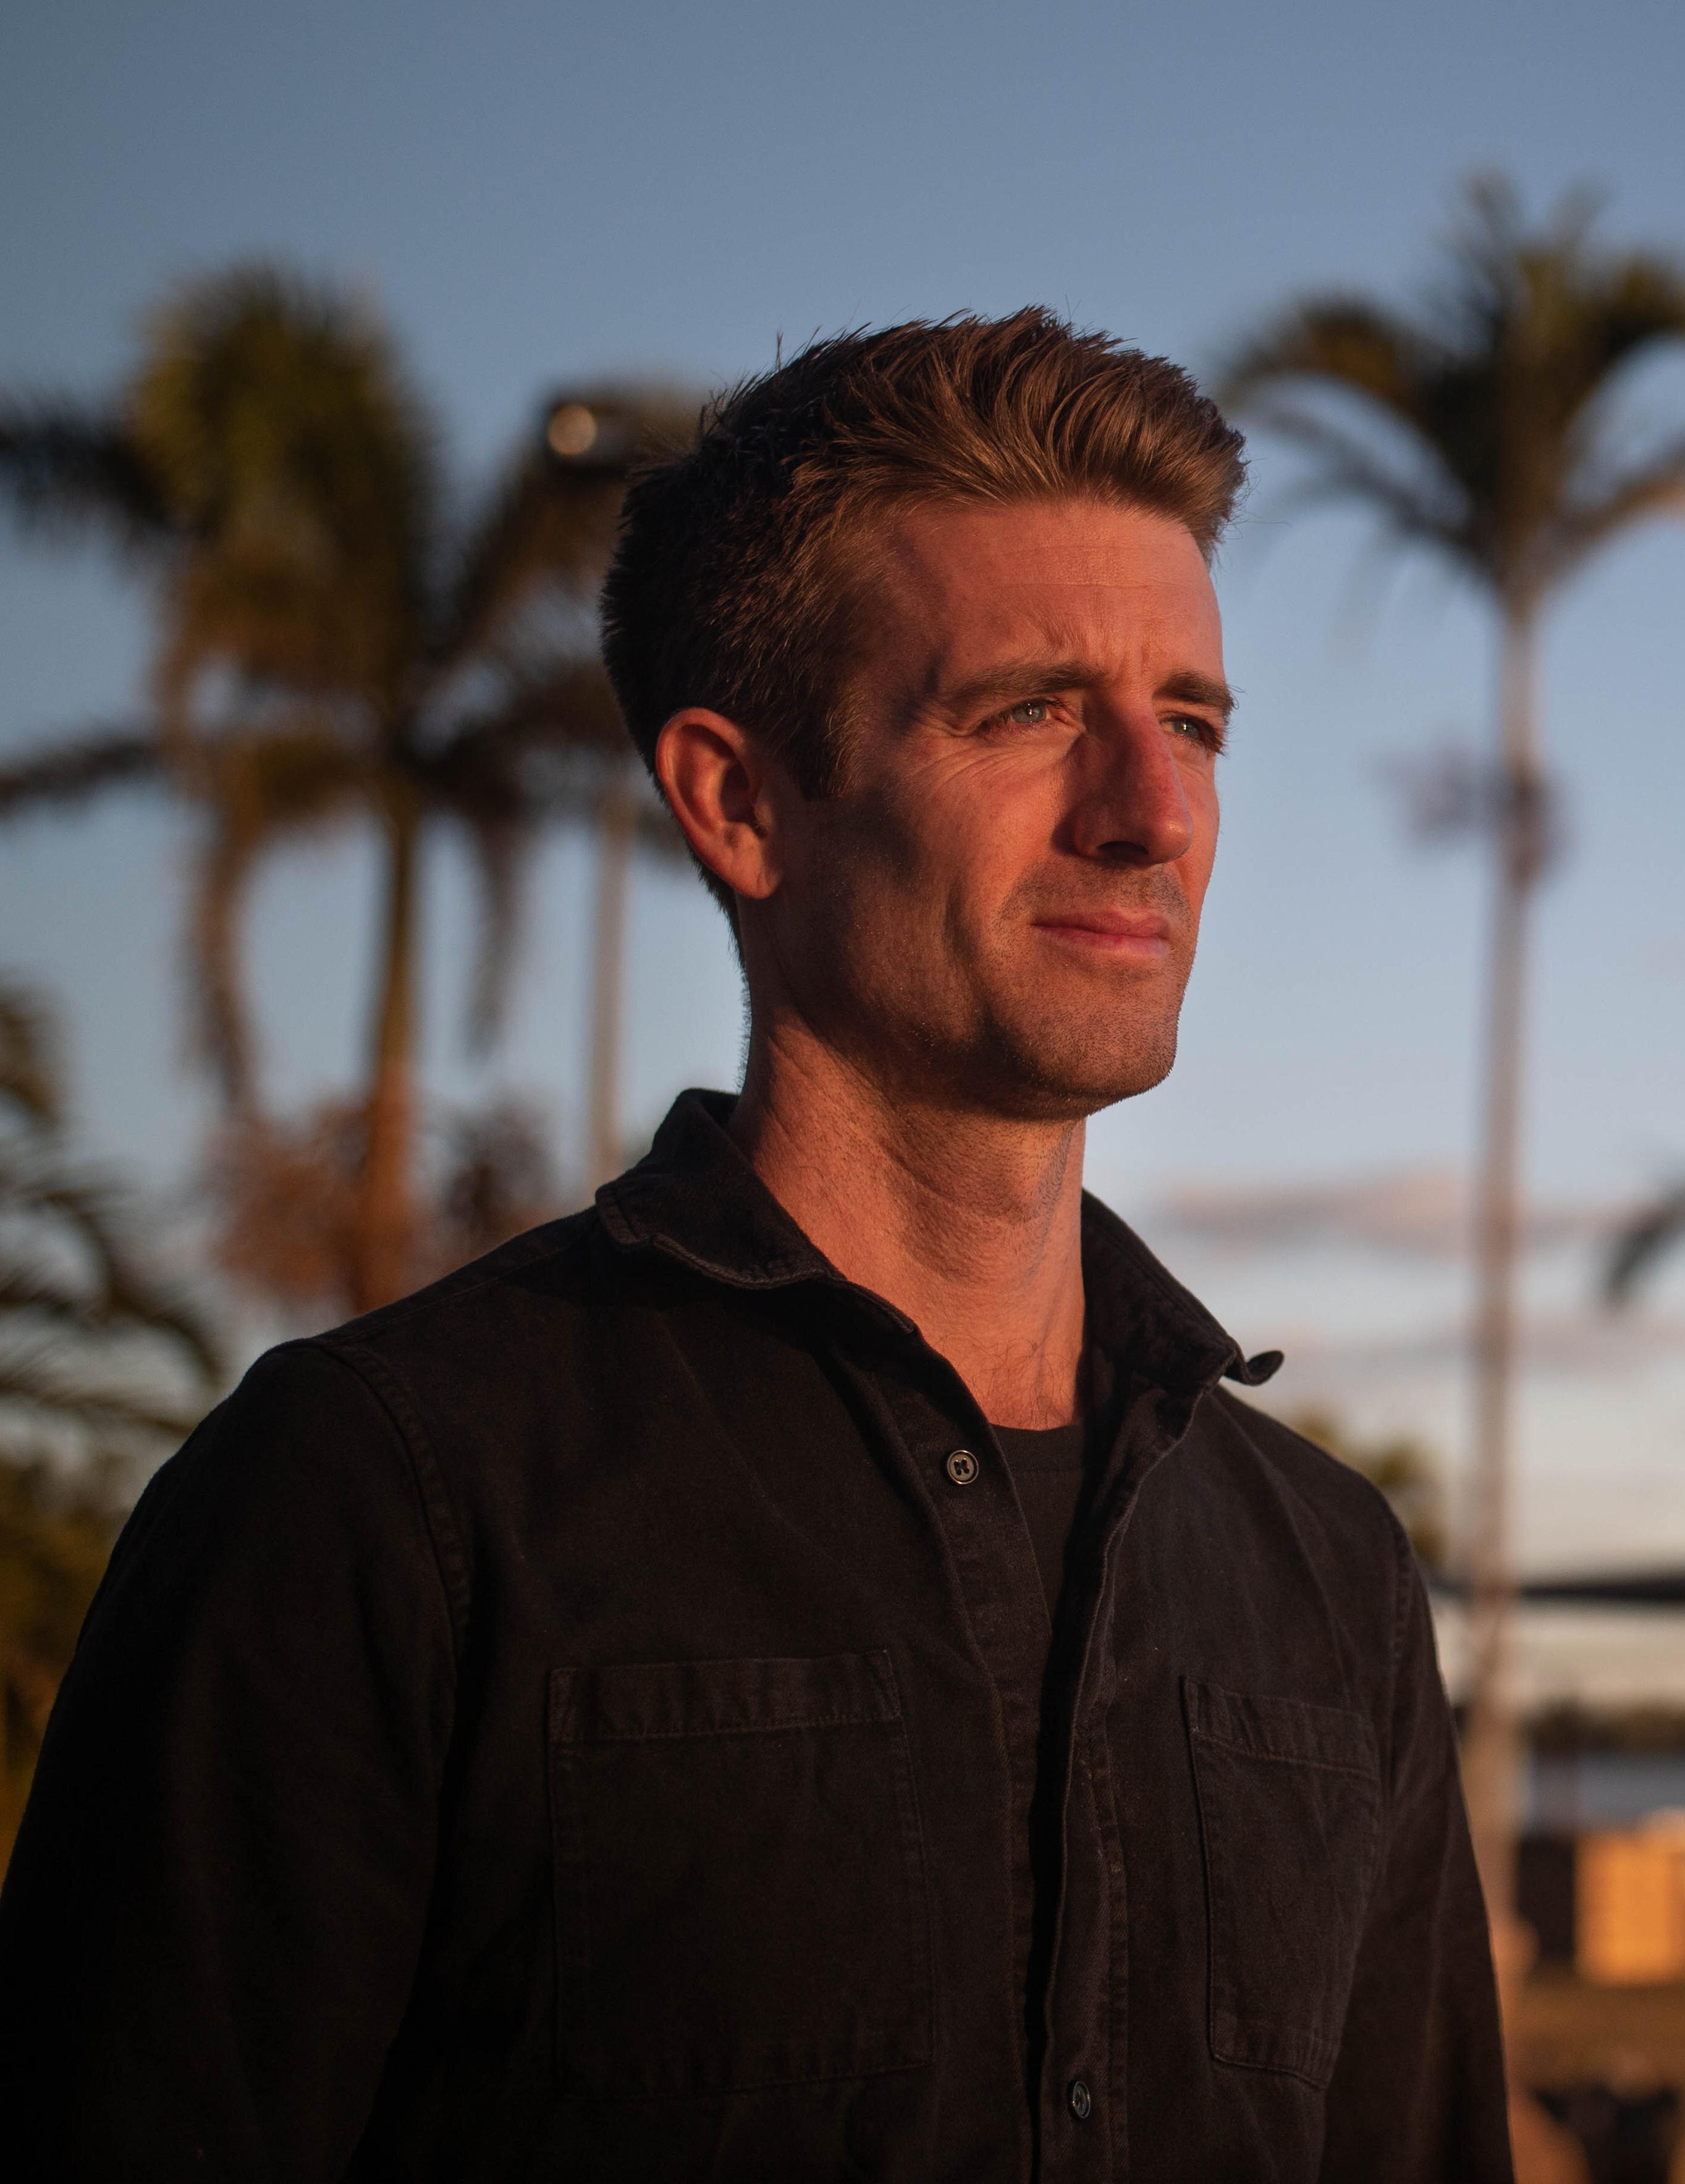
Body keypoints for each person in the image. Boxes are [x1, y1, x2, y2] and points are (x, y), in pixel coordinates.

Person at [0, 310, 1513, 2182]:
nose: (1156, 812)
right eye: (1032, 709)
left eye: (1190, 720)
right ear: (738, 801)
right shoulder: (375, 1502)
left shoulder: (1330, 1579)